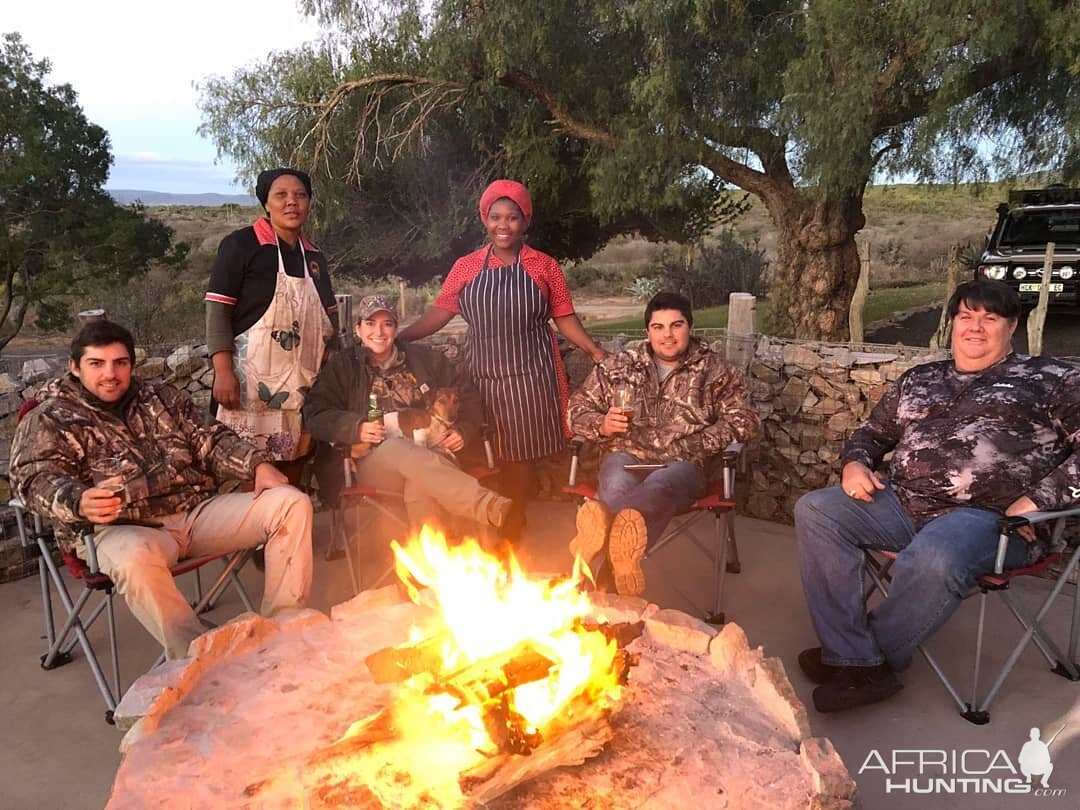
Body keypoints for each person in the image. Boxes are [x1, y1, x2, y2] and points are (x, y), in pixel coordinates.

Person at [795, 279, 1080, 713]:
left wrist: (1037, 501)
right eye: (966, 316)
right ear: (952, 324)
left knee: (937, 552)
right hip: (903, 502)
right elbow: (872, 434)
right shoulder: (921, 378)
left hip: (992, 521)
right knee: (817, 510)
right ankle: (853, 654)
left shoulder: (1052, 379)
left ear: (1012, 326)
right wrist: (854, 463)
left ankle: (863, 660)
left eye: (990, 318)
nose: (976, 327)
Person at [10, 321, 314, 659]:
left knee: (291, 503)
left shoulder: (161, 398)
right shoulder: (50, 417)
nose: (110, 374)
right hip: (120, 529)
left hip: (195, 513)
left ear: (131, 364)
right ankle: (200, 659)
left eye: (120, 363)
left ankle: (284, 635)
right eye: (97, 364)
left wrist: (257, 465)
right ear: (74, 367)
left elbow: (211, 440)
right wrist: (77, 500)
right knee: (135, 557)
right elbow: (32, 477)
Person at [397, 179, 606, 541]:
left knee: (518, 457)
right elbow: (439, 313)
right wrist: (401, 338)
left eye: (512, 217)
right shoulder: (466, 267)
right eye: (496, 217)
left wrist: (593, 350)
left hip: (530, 376)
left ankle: (509, 530)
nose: (503, 225)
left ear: (525, 221)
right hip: (479, 374)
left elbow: (564, 316)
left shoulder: (545, 266)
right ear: (485, 219)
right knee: (472, 444)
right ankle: (477, 526)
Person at [566, 291, 760, 595]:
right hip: (625, 455)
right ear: (647, 332)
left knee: (659, 486)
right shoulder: (620, 366)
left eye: (676, 325)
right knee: (616, 484)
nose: (667, 335)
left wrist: (695, 444)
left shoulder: (717, 371)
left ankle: (601, 545)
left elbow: (745, 420)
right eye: (658, 327)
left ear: (690, 327)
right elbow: (576, 409)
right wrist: (601, 425)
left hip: (682, 465)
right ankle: (618, 573)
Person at [303, 295, 514, 532]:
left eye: (387, 323)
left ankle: (427, 564)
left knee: (418, 483)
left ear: (396, 328)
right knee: (397, 449)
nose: (379, 332)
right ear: (358, 329)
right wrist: (355, 427)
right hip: (374, 464)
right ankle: (485, 504)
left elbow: (470, 397)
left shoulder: (426, 359)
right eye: (370, 324)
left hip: (435, 457)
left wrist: (464, 429)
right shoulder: (343, 367)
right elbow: (314, 413)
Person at [205, 167, 340, 479]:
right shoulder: (241, 246)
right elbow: (218, 311)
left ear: (309, 203)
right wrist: (222, 371)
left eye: (300, 195)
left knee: (294, 460)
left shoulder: (315, 258)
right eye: (281, 195)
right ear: (266, 204)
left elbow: (328, 319)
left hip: (302, 384)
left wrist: (336, 364)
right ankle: (249, 528)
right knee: (246, 467)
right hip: (247, 384)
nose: (291, 202)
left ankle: (288, 526)